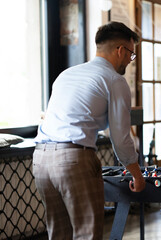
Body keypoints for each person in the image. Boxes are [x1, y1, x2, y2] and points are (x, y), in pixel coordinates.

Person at [32, 21, 146, 240]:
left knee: (58, 234)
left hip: (41, 160)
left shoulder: (66, 74)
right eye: (131, 55)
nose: (130, 61)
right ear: (120, 50)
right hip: (73, 159)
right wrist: (137, 174)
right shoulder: (115, 80)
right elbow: (120, 137)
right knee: (87, 234)